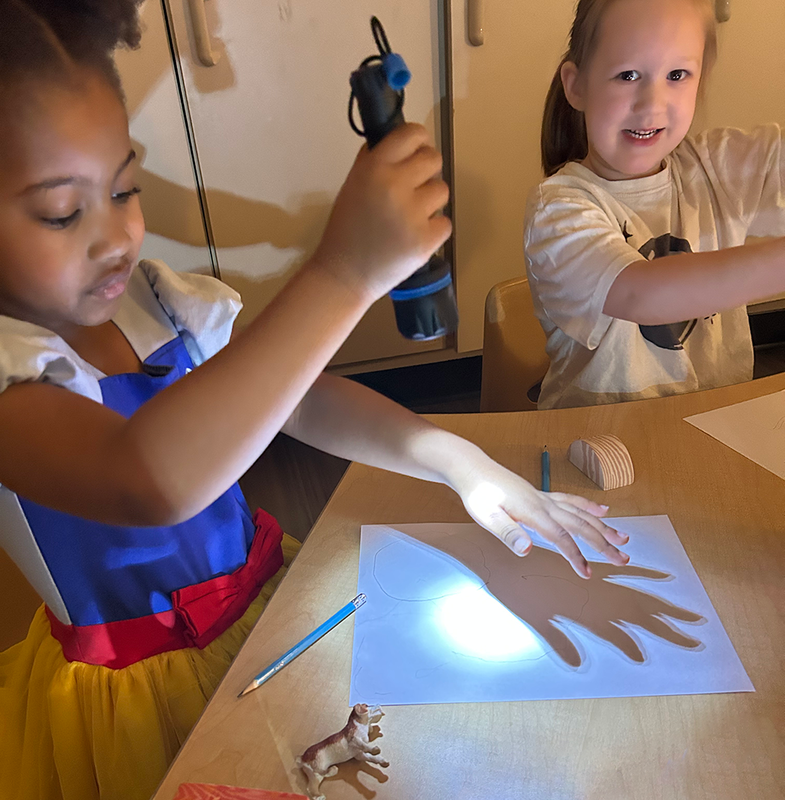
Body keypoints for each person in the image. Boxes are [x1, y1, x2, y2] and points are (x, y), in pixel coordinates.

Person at [0, 2, 628, 799]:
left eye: (124, 188)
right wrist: (341, 275)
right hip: (142, 702)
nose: (117, 238)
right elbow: (146, 480)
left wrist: (459, 464)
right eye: (62, 212)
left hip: (272, 615)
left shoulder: (154, 304)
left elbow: (300, 400)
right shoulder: (10, 375)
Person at [524, 0, 785, 409]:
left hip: (713, 426)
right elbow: (640, 296)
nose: (652, 103)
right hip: (595, 441)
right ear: (576, 86)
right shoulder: (558, 208)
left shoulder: (715, 166)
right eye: (628, 75)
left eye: (677, 74)